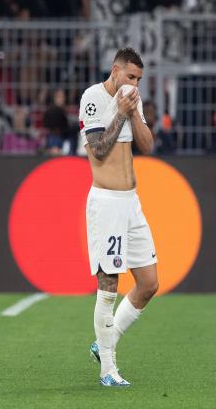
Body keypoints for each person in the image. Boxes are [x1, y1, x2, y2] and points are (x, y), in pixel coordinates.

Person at [79, 47, 158, 387]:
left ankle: (104, 343)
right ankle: (107, 370)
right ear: (115, 70)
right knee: (109, 283)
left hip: (131, 202)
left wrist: (134, 112)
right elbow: (98, 150)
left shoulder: (132, 101)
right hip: (107, 202)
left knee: (149, 283)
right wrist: (121, 114)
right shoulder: (93, 98)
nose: (134, 84)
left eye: (139, 79)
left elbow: (148, 146)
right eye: (130, 76)